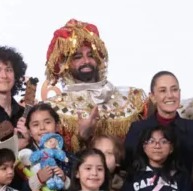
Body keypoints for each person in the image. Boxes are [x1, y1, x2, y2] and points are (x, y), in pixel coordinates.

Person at [43, 19, 146, 150]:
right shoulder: (53, 109)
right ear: (65, 65)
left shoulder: (130, 100)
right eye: (77, 57)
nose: (86, 61)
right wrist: (81, 137)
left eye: (91, 55)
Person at [125, 71, 193, 176]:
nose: (170, 95)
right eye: (163, 91)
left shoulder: (191, 128)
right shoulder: (138, 129)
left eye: (174, 90)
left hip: (182, 190)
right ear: (152, 97)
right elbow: (126, 165)